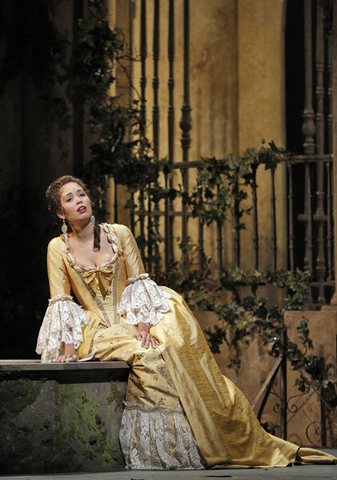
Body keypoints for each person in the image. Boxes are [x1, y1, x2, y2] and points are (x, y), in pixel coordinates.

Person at [36, 175, 336, 470]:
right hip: (96, 327)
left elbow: (139, 282)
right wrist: (70, 350)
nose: (79, 201)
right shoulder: (57, 248)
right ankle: (158, 451)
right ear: (61, 213)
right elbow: (63, 302)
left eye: (82, 194)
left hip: (134, 316)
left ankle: (198, 440)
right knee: (147, 357)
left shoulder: (119, 233)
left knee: (170, 347)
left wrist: (143, 328)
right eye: (70, 198)